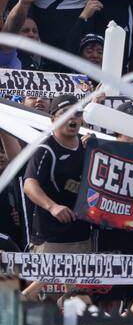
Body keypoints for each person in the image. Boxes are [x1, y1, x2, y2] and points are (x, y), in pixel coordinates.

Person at [23, 95, 91, 253]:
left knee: (81, 278)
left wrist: (98, 150)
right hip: (51, 238)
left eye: (77, 113)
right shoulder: (46, 149)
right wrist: (52, 206)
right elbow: (29, 183)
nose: (72, 117)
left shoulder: (88, 146)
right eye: (65, 113)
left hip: (83, 236)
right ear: (53, 119)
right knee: (46, 279)